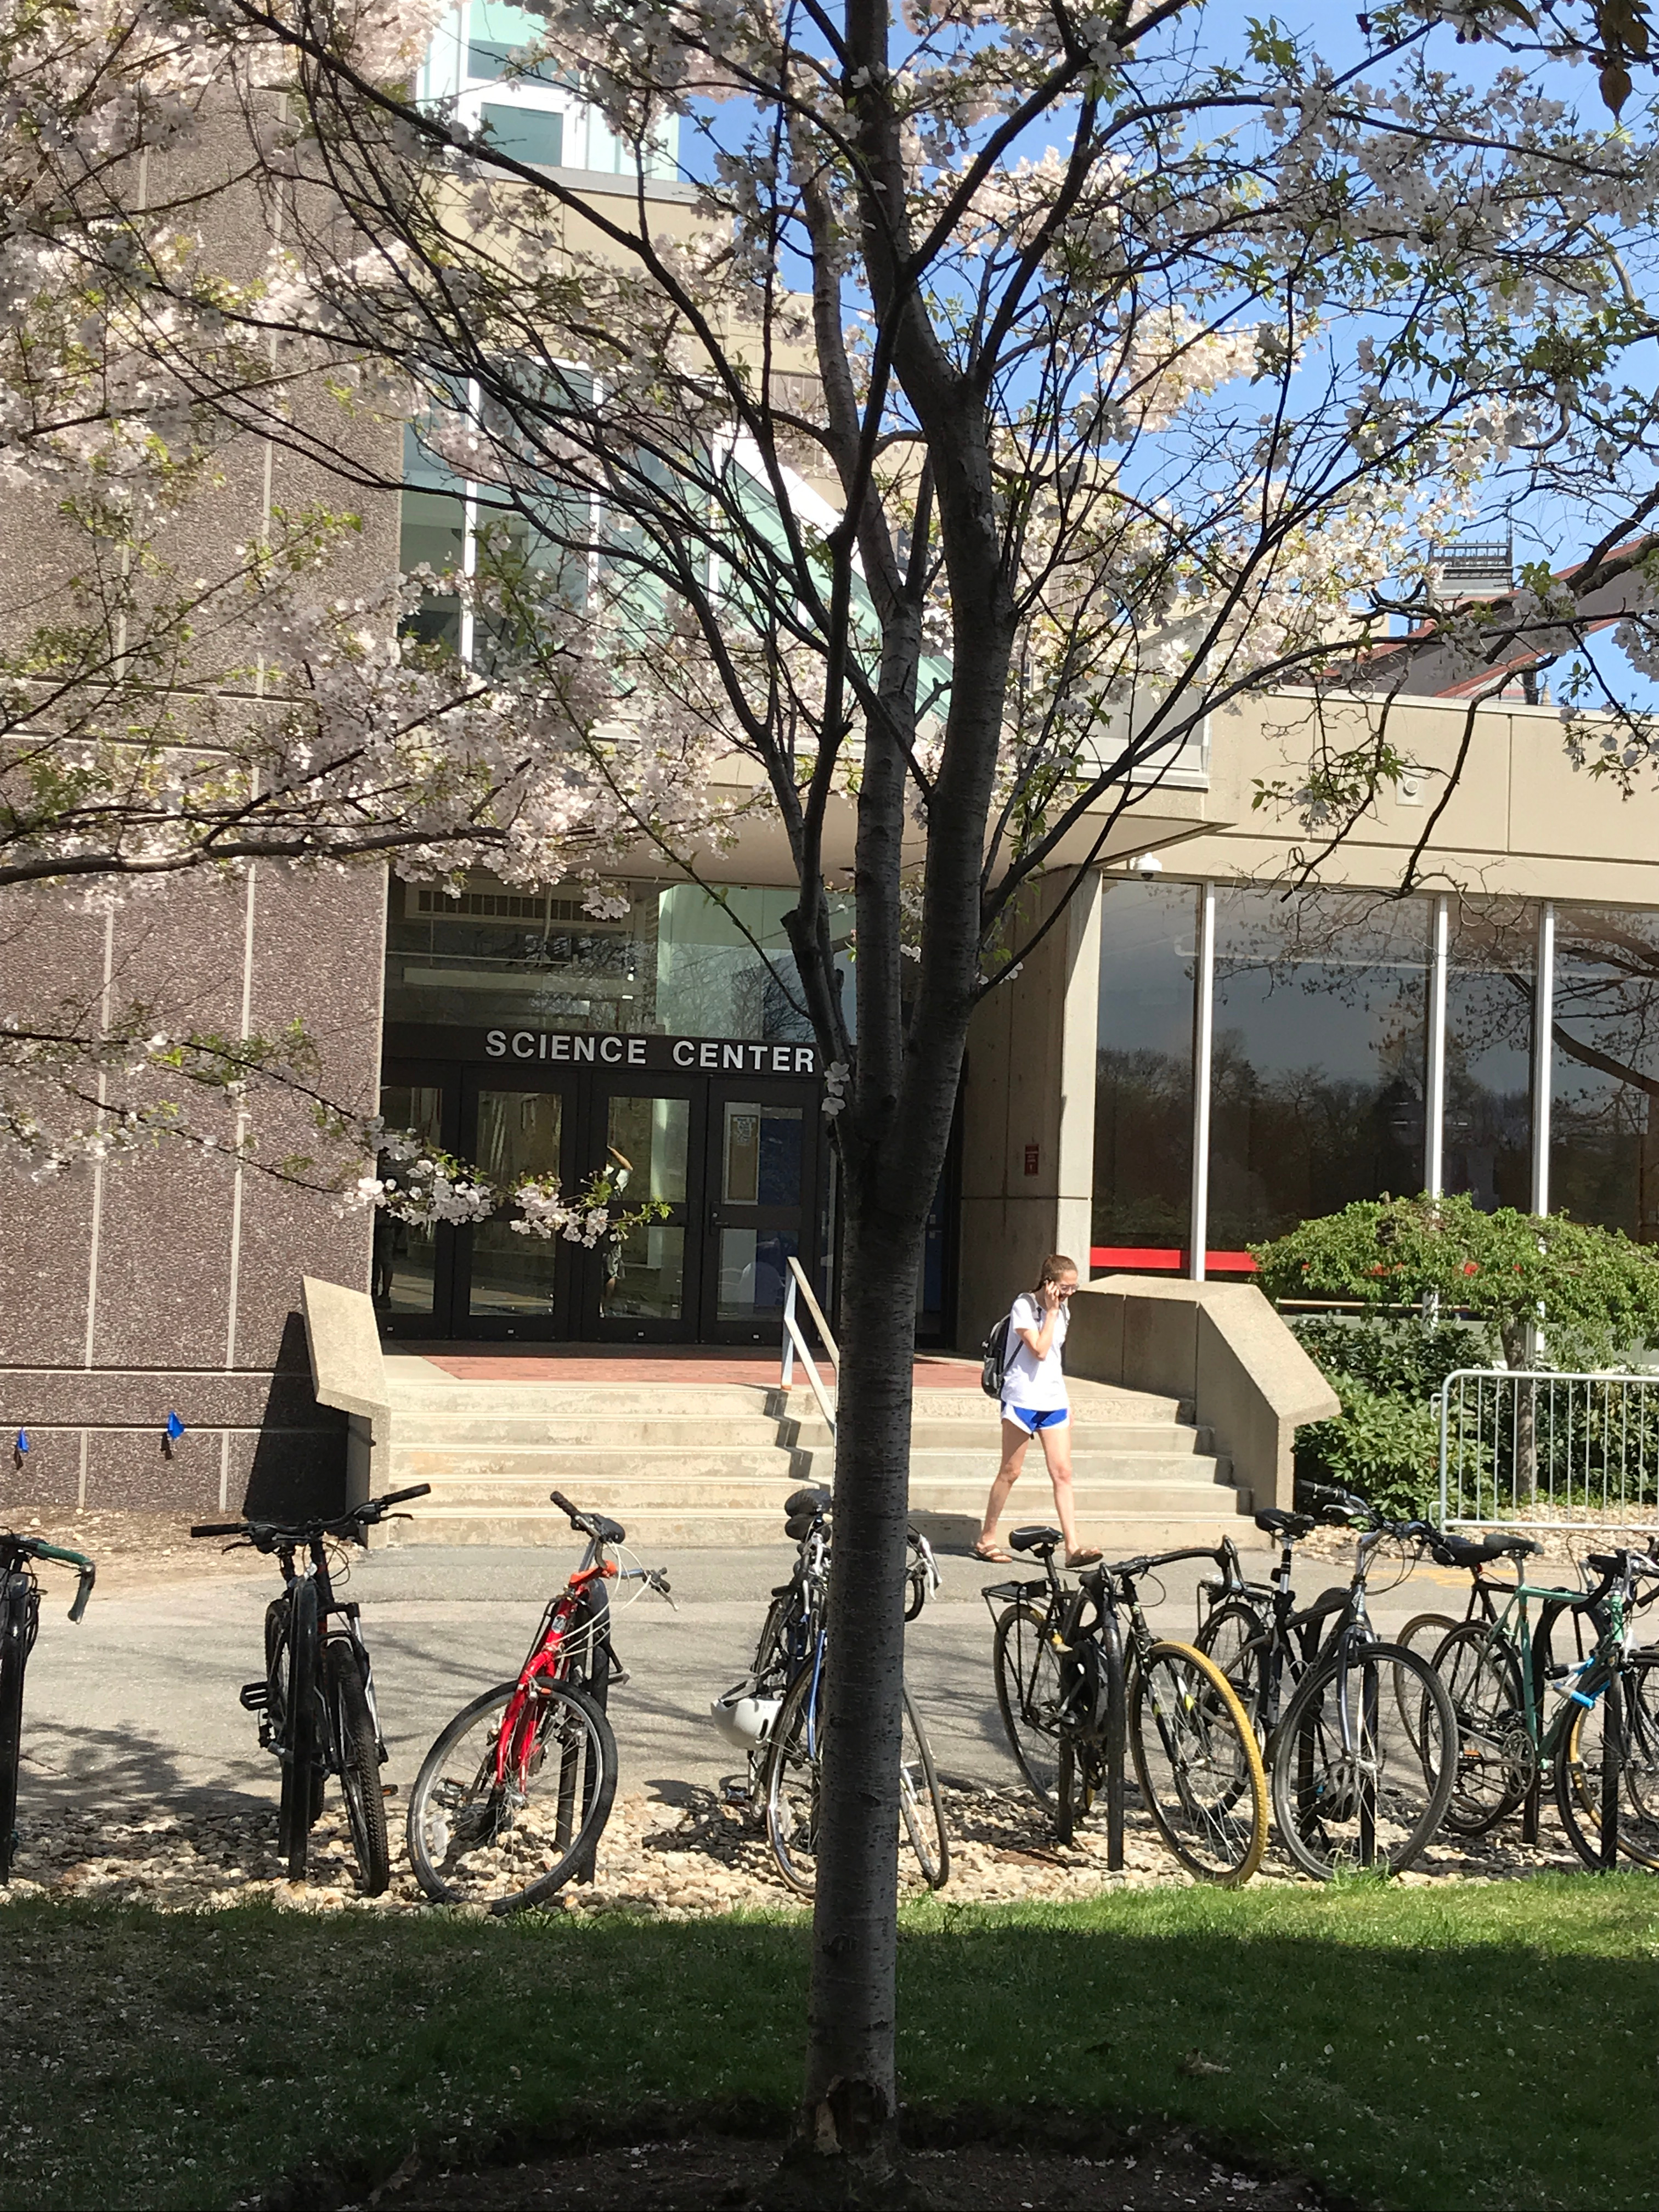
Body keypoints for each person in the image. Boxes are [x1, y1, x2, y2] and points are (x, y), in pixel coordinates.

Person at [972, 1254, 1102, 1568]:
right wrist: (1052, 1312)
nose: (1070, 1293)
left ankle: (1072, 1547)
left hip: (1053, 1400)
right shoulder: (1025, 1306)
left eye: (1074, 1288)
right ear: (1049, 1283)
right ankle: (987, 1538)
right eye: (1065, 1287)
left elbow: (1054, 1360)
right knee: (1011, 1471)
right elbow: (1040, 1350)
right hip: (1022, 1398)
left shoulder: (1064, 1310)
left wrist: (1066, 1401)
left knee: (1063, 1473)